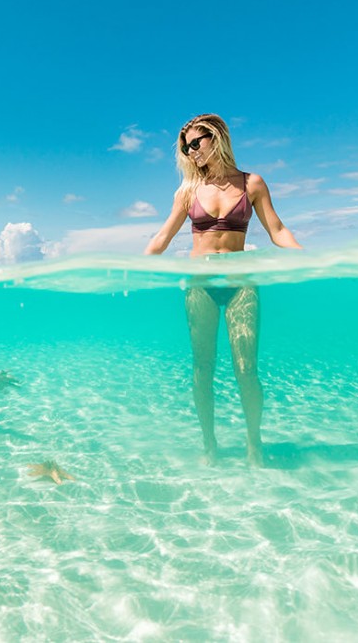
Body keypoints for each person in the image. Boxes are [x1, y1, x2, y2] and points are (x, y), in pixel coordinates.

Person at [144, 113, 301, 466]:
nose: (191, 152)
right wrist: (133, 268)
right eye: (186, 147)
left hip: (240, 285)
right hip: (200, 286)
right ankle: (209, 446)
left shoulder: (252, 183)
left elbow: (277, 230)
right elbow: (163, 236)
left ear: (216, 139)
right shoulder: (187, 191)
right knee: (203, 368)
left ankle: (254, 444)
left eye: (195, 143)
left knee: (246, 369)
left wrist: (305, 257)